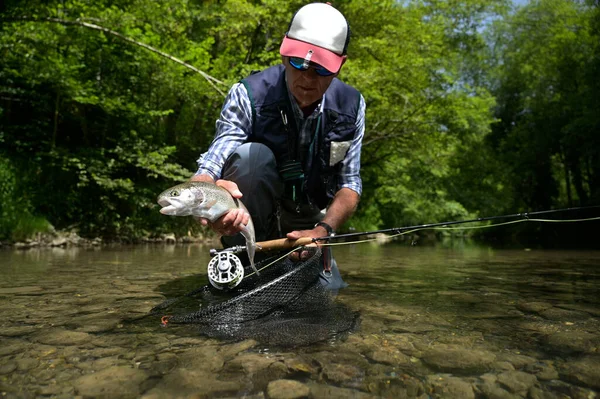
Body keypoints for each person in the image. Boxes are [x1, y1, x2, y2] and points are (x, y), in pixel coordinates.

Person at [191, 2, 366, 289]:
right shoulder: (248, 93)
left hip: (312, 219)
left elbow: (350, 185)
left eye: (321, 69)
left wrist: (322, 230)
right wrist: (207, 199)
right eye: (299, 62)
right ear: (284, 53)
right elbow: (211, 164)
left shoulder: (352, 105)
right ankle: (244, 256)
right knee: (251, 157)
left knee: (329, 295)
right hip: (253, 216)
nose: (307, 78)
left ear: (340, 66)